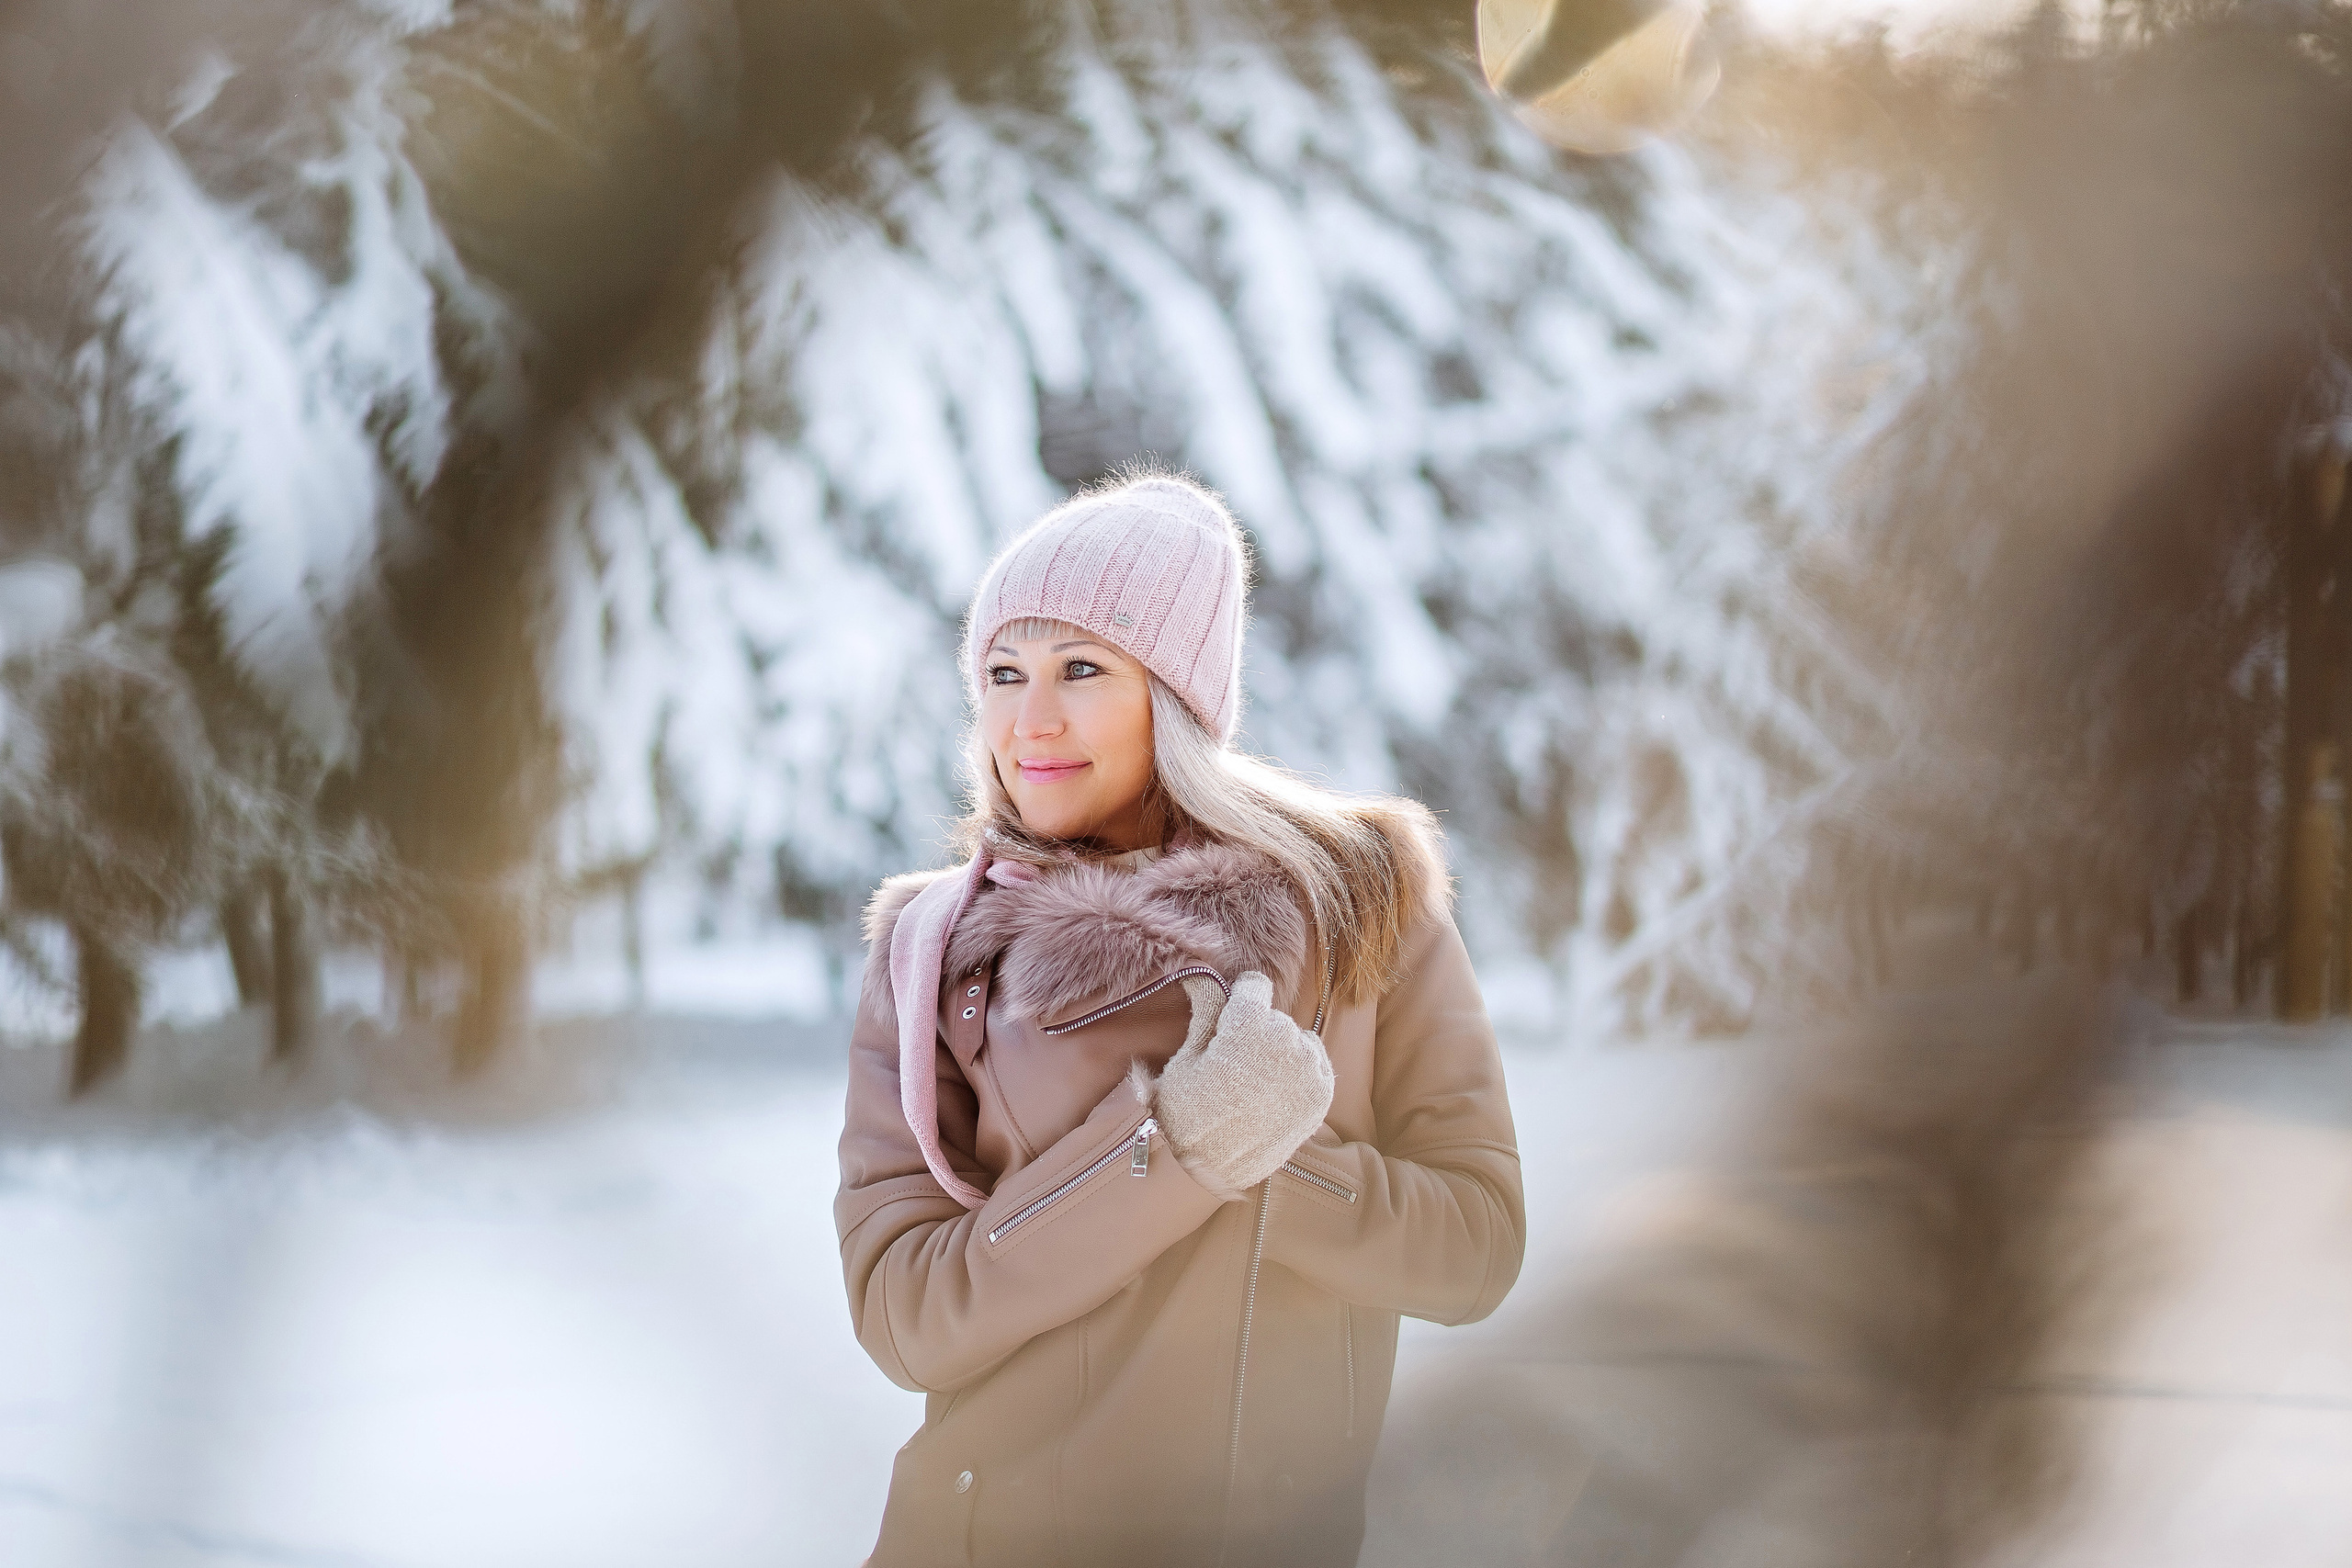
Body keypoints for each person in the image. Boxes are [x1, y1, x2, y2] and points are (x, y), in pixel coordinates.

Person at [836, 472, 1524, 1567]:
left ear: (1176, 696)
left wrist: (1279, 1163)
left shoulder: (1359, 904)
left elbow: (1475, 1249)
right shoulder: (936, 951)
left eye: (1082, 670)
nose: (1031, 720)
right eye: (1003, 674)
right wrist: (1179, 1148)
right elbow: (905, 1315)